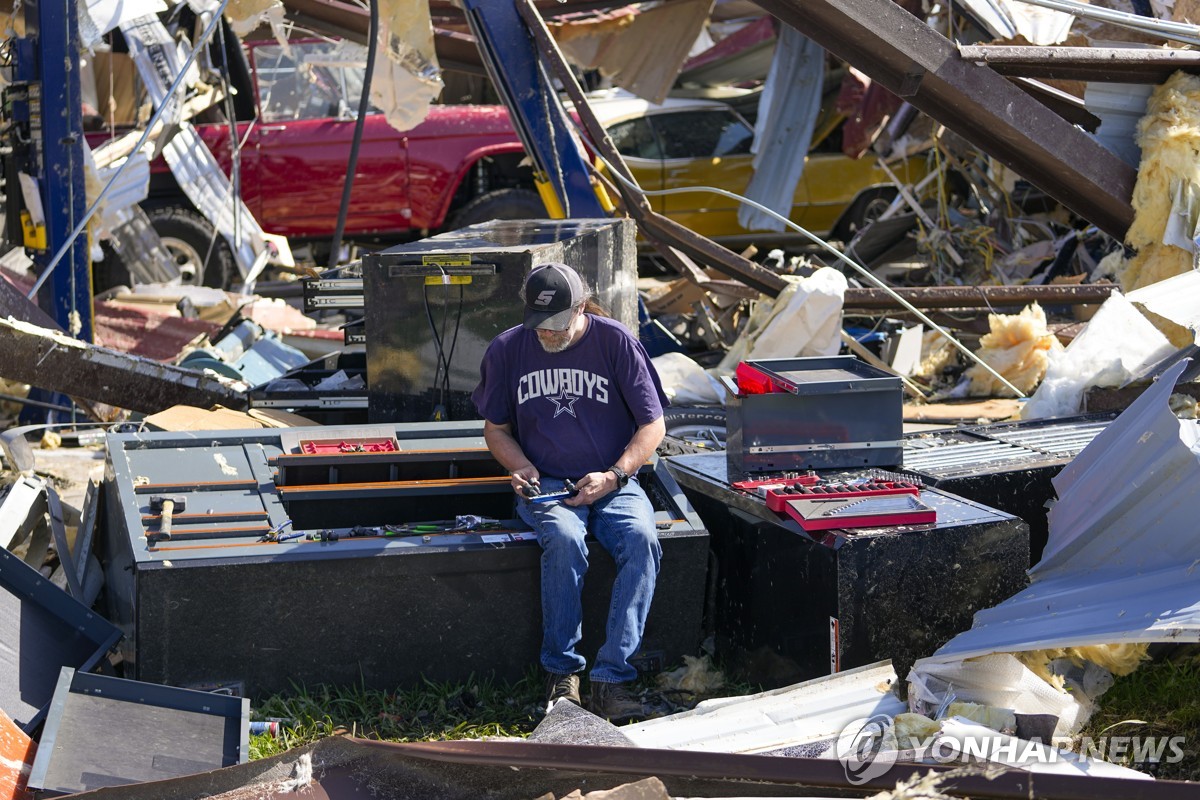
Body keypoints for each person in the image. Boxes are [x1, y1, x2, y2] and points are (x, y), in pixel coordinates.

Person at [471, 262, 668, 723]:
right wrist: (519, 465)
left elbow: (653, 425)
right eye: (538, 324)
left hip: (614, 478)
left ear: (581, 308)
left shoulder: (616, 342)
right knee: (563, 539)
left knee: (643, 540)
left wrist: (616, 474)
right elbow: (495, 428)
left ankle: (612, 679)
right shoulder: (507, 348)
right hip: (549, 484)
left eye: (557, 325)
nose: (546, 334)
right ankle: (561, 676)